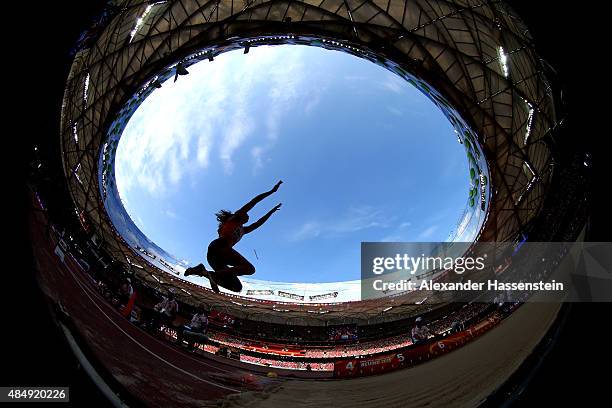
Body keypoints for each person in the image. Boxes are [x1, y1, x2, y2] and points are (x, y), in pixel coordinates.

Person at [184, 180, 283, 293]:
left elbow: (258, 223)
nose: (247, 215)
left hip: (216, 260)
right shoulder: (233, 219)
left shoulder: (243, 230)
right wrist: (271, 191)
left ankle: (204, 272)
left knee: (236, 287)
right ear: (240, 214)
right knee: (249, 269)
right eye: (246, 213)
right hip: (218, 247)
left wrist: (272, 211)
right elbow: (254, 202)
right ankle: (213, 275)